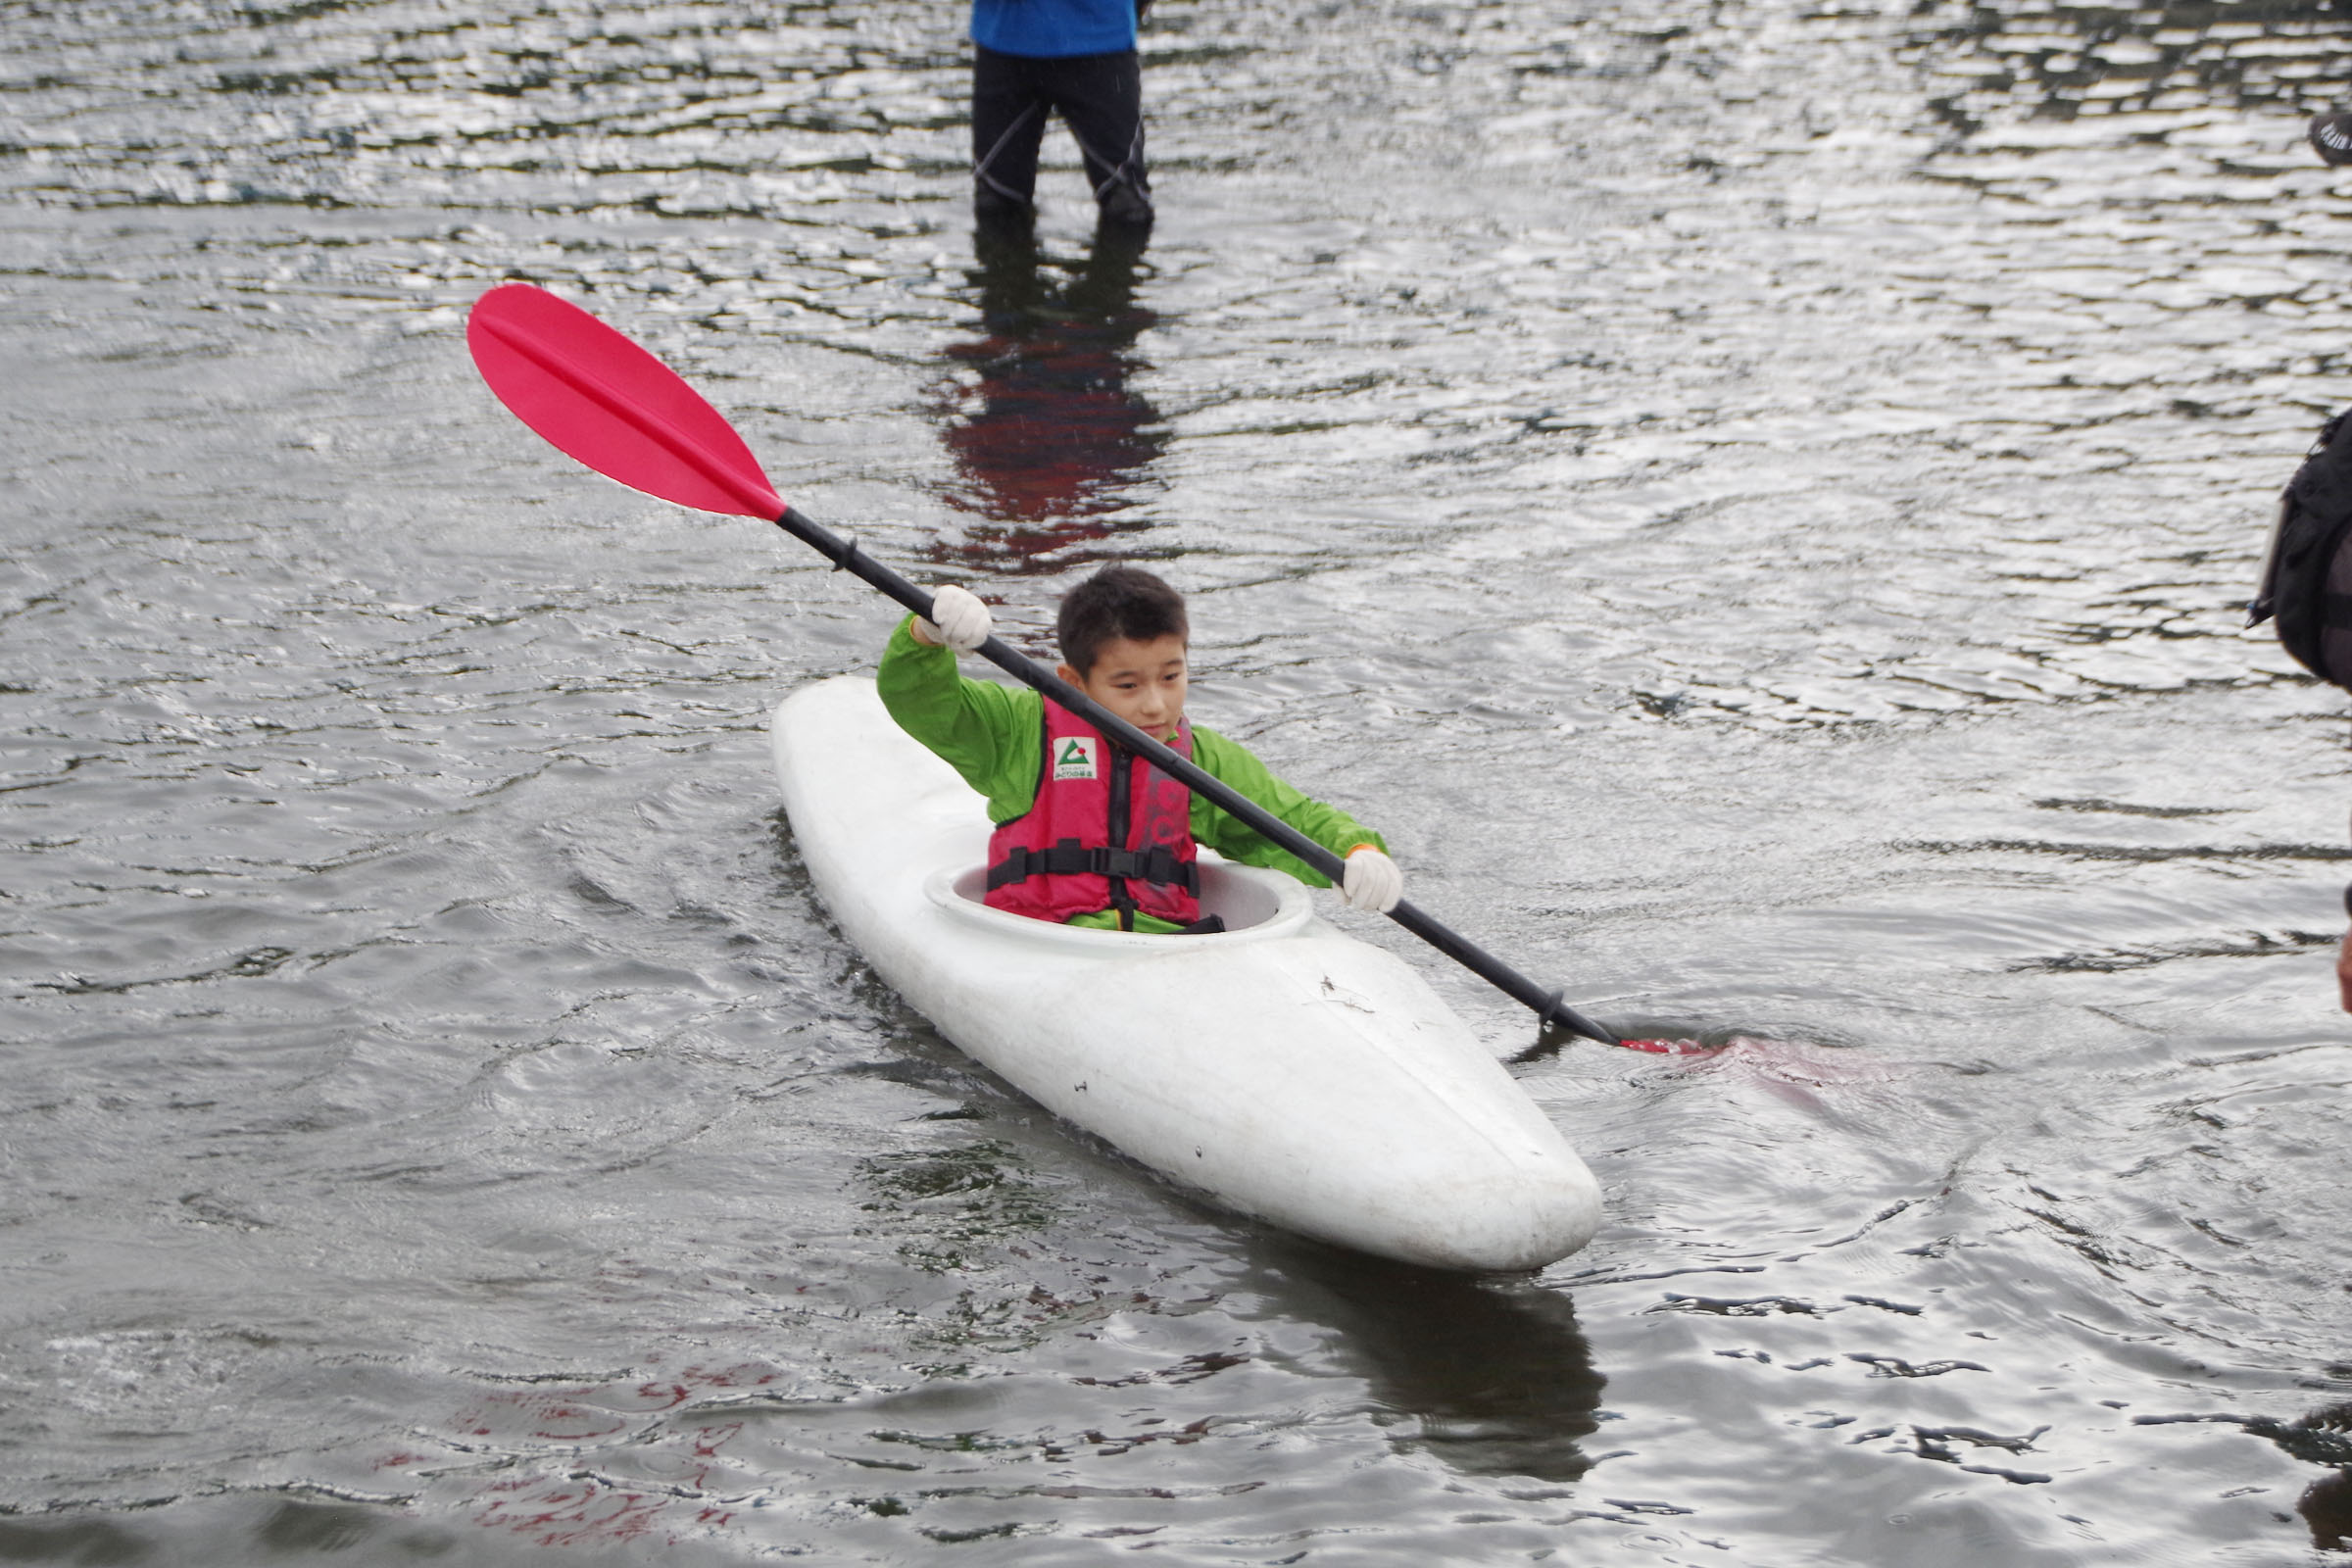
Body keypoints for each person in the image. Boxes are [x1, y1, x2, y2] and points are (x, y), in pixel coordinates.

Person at [877, 565, 1404, 933]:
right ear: (1074, 681)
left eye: (1171, 677)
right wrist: (924, 635)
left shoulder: (1199, 755)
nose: (1156, 705)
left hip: (1159, 952)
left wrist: (1356, 852)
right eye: (1127, 686)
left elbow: (1288, 821)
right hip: (1037, 941)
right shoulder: (1023, 730)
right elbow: (921, 699)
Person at [968, 0, 1154, 238]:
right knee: (995, 206)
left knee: (1127, 207)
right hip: (1004, 44)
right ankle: (1011, 273)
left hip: (1102, 43)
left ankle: (1118, 273)